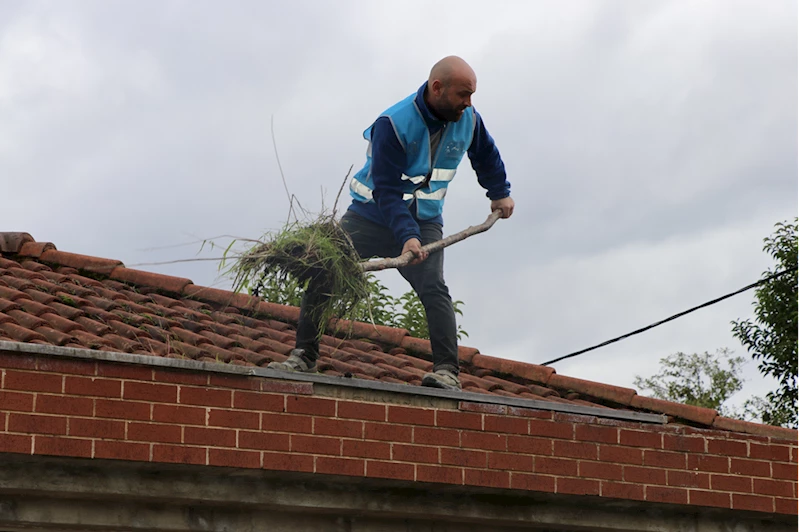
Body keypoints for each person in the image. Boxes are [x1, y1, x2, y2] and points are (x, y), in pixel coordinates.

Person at [268, 56, 514, 390]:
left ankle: (446, 372)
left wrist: (499, 192)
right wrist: (407, 237)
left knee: (433, 286)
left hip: (424, 218)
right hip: (370, 216)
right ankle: (303, 355)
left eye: (472, 95)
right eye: (463, 94)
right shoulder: (393, 123)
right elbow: (386, 190)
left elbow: (485, 154)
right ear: (437, 88)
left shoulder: (469, 119)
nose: (468, 103)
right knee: (326, 271)